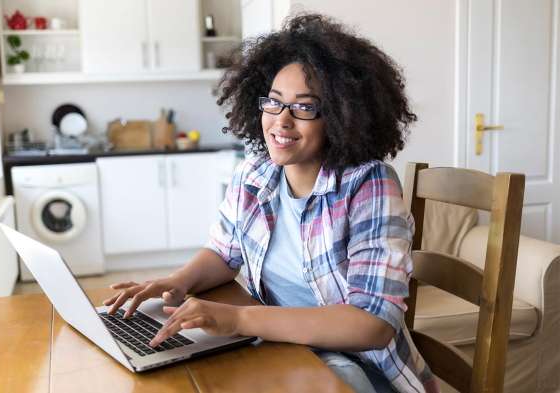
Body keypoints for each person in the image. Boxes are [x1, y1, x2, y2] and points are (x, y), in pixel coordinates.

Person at [104, 13, 439, 393]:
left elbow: (373, 325)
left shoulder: (369, 184)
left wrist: (238, 320)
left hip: (360, 372)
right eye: (274, 103)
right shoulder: (257, 173)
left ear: (343, 115)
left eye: (305, 107)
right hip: (283, 350)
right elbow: (223, 251)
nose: (282, 122)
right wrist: (175, 282)